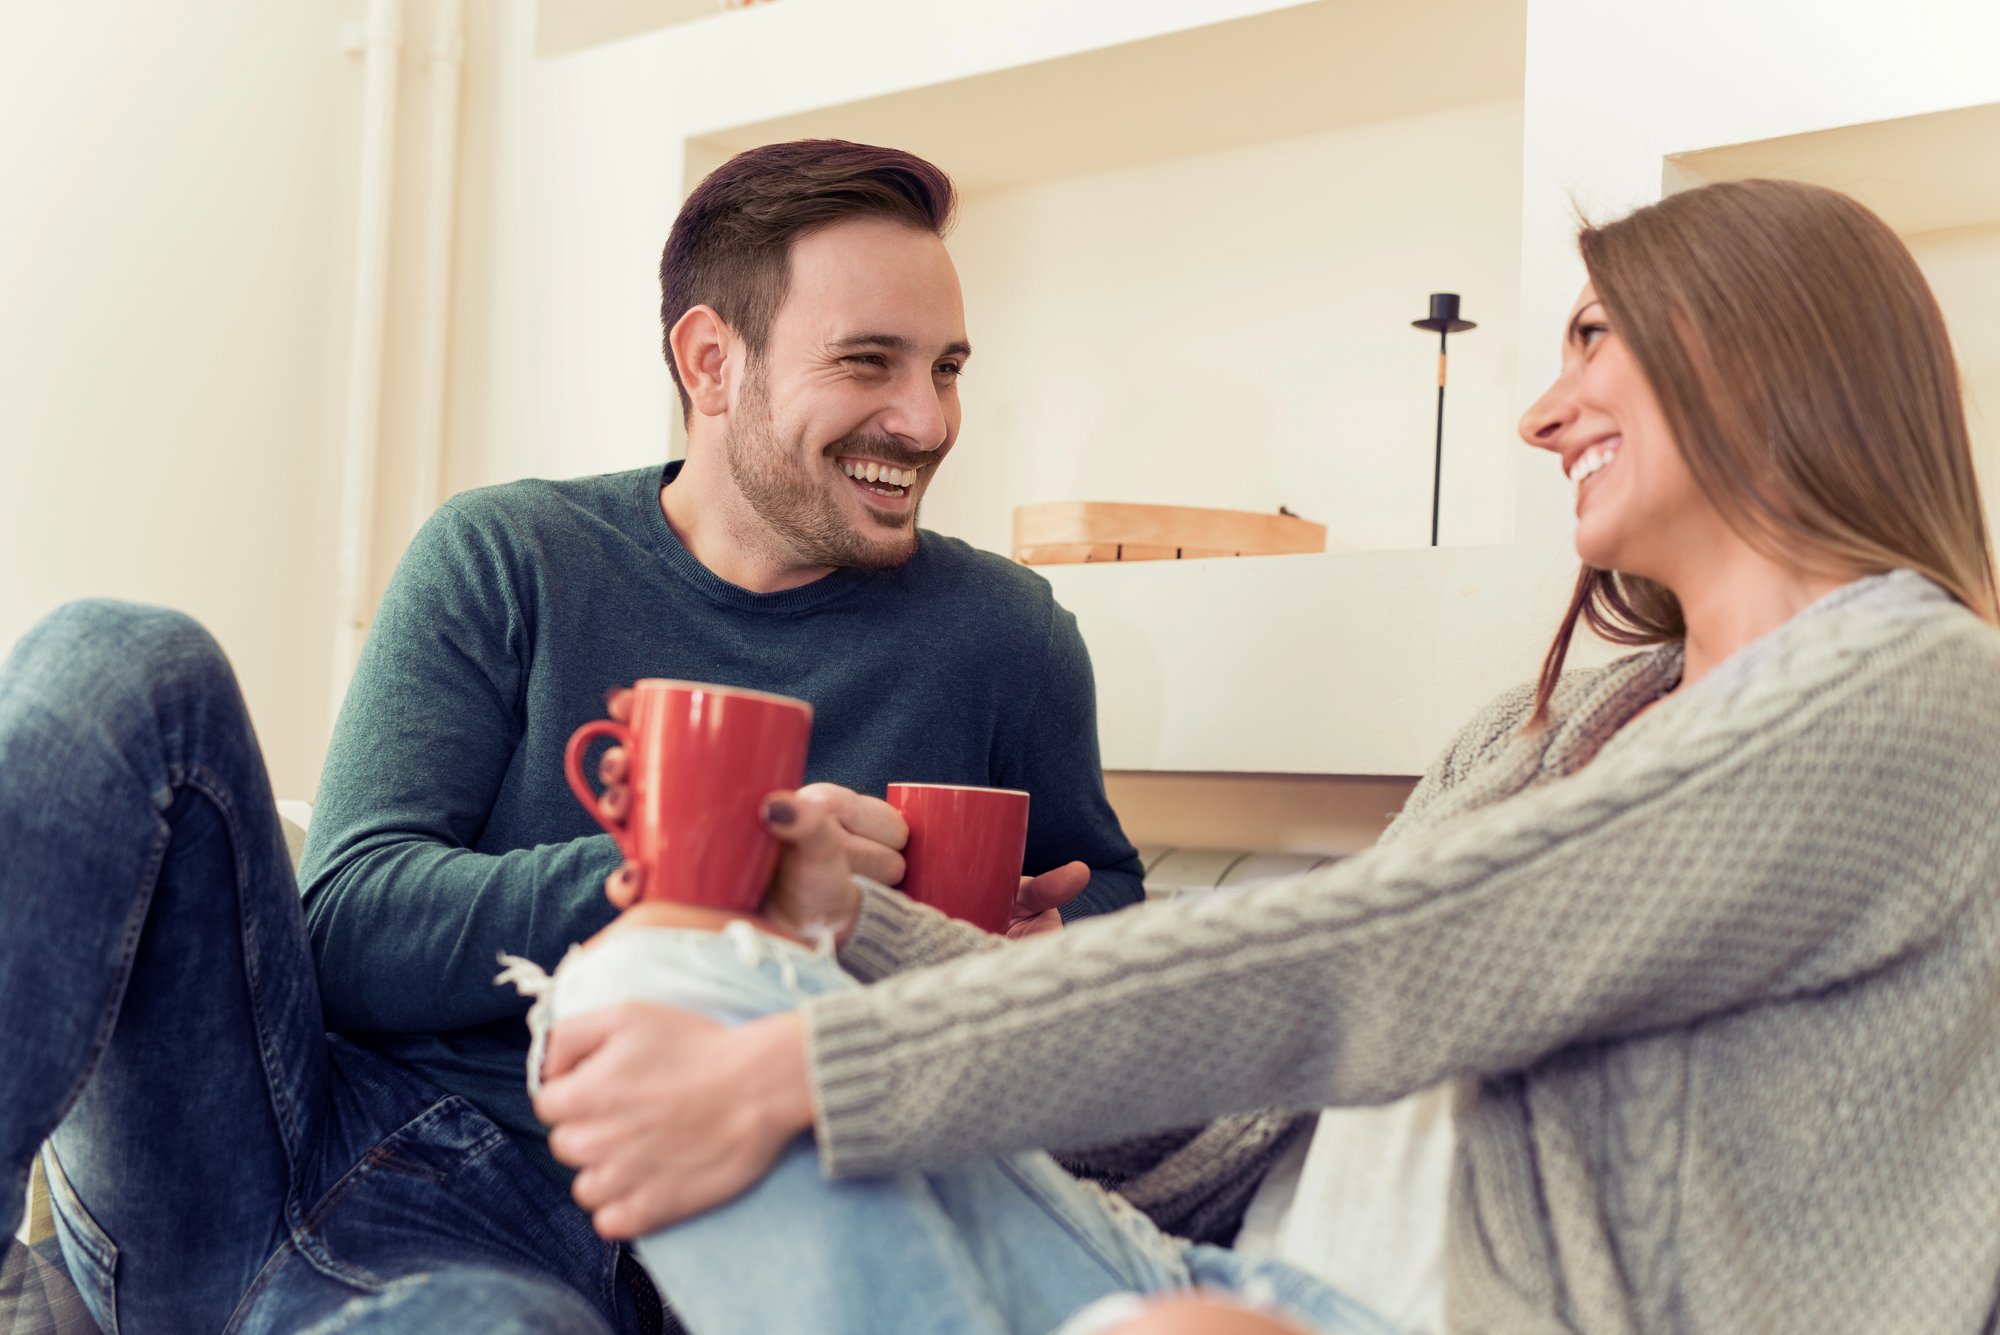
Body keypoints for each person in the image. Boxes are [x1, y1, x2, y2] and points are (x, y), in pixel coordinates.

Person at [533, 177, 2000, 1335]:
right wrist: (850, 926)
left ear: (1765, 348)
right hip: (1227, 1274)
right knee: (642, 987)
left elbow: (1387, 957)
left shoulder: (1921, 689)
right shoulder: (1555, 723)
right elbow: (1238, 1104)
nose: (1541, 412)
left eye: (1593, 339)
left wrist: (810, 1070)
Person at [0, 139, 1138, 1335]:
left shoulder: (1005, 638)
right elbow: (344, 924)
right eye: (869, 364)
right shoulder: (509, 556)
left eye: (946, 369)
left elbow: (1102, 892)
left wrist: (1042, 944)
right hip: (287, 1153)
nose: (923, 419)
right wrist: (700, 879)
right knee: (116, 656)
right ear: (710, 361)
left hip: (578, 1256)